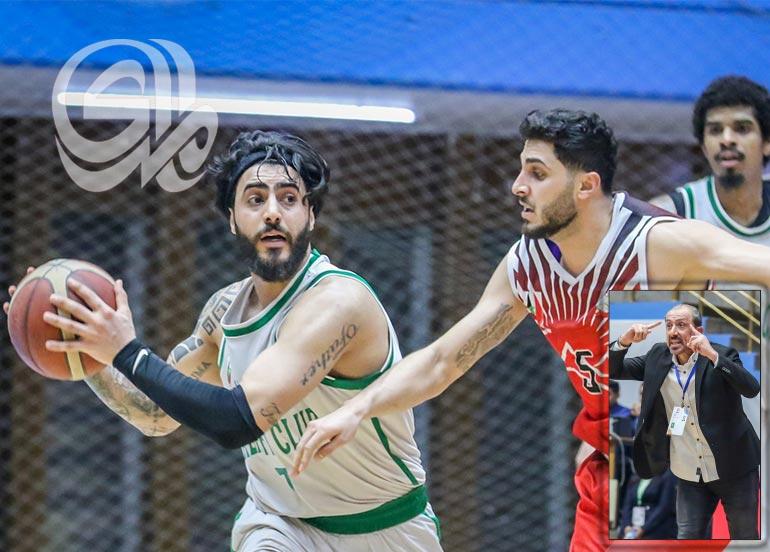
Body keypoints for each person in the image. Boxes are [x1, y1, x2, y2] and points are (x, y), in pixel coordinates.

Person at [289, 109, 770, 552]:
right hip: (612, 463)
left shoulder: (659, 243)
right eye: (521, 171)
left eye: (537, 174)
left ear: (586, 185)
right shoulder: (527, 266)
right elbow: (442, 361)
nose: (518, 186)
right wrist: (356, 409)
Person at [5, 131, 442, 552]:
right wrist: (88, 350)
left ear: (311, 215)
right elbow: (155, 415)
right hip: (279, 523)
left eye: (289, 198)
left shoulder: (338, 302)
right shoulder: (223, 312)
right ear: (232, 219)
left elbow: (235, 420)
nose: (273, 212)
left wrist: (125, 351)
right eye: (255, 199)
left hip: (384, 526)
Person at [609, 304, 760, 539]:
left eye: (681, 325)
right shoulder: (657, 357)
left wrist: (713, 356)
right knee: (688, 538)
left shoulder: (721, 354)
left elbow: (751, 388)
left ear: (699, 331)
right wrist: (623, 342)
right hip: (688, 470)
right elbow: (611, 369)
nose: (673, 332)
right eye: (669, 325)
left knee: (744, 537)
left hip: (734, 466)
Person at [651, 76, 770, 247]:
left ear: (766, 143)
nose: (727, 140)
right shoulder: (670, 215)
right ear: (704, 147)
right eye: (715, 130)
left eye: (742, 129)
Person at [619, 469, 677, 540]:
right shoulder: (635, 476)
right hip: (632, 526)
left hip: (655, 527)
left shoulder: (667, 476)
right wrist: (627, 526)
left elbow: (663, 508)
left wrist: (643, 529)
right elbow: (627, 505)